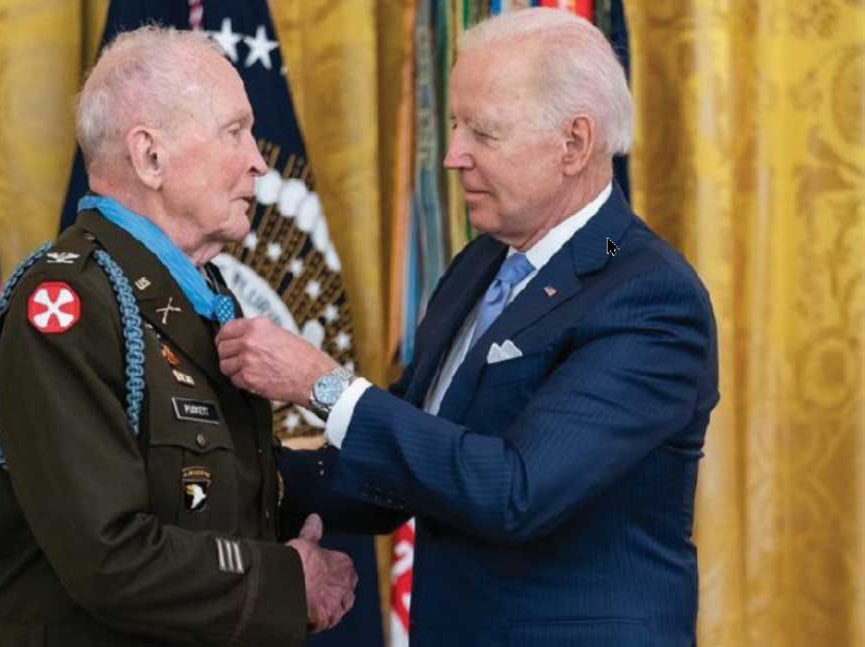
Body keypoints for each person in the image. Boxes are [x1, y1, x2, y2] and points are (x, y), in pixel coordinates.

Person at [217, 8, 719, 647]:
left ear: (575, 143)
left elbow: (515, 491)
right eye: (455, 124)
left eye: (483, 132)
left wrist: (322, 386)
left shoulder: (650, 297)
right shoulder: (481, 262)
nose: (453, 156)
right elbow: (411, 460)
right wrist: (244, 474)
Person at [0, 26, 356, 647]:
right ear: (150, 157)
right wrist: (287, 581)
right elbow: (107, 555)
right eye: (234, 132)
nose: (258, 159)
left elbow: (221, 497)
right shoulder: (66, 305)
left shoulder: (199, 292)